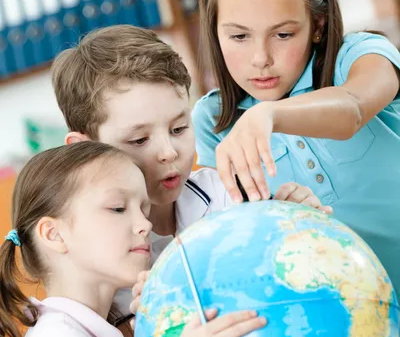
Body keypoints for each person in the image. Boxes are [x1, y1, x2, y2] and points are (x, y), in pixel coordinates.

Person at [191, 0, 400, 337]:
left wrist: (268, 117)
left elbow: (352, 108)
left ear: (319, 25)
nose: (260, 58)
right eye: (238, 36)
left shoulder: (360, 55)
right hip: (359, 332)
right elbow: (254, 259)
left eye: (283, 35)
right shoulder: (210, 122)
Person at [0, 141, 266, 337]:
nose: (145, 224)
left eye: (144, 208)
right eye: (117, 208)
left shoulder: (89, 335)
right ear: (53, 234)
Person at [52, 25, 331, 316]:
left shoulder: (231, 199)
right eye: (139, 140)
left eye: (179, 128)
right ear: (83, 148)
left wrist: (290, 228)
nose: (169, 152)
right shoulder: (87, 256)